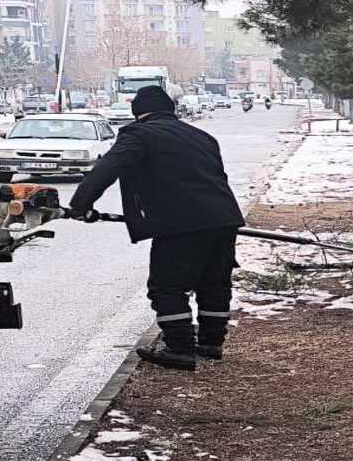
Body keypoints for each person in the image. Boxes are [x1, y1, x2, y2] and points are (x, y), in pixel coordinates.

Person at [68, 86, 245, 371]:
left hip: (181, 224)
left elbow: (107, 168)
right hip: (224, 219)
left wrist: (80, 204)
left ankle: (179, 349)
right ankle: (211, 343)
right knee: (214, 282)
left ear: (138, 113)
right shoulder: (202, 136)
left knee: (167, 286)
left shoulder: (139, 134)